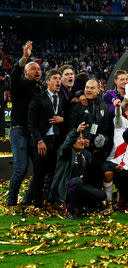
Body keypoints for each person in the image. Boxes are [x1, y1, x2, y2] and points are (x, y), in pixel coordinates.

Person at [8, 41, 43, 206]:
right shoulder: (19, 85)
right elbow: (14, 74)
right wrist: (24, 57)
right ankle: (12, 202)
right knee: (21, 169)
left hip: (33, 133)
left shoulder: (40, 90)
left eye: (39, 69)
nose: (37, 71)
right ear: (26, 72)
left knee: (39, 169)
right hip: (19, 131)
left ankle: (27, 199)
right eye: (33, 68)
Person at [49, 122, 106, 219]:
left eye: (82, 138)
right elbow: (66, 146)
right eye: (78, 139)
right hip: (65, 188)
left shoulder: (86, 154)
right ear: (71, 140)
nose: (82, 141)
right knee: (76, 181)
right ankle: (70, 210)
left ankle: (85, 206)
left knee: (101, 194)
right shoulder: (65, 153)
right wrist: (76, 132)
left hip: (81, 186)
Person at [27, 69, 67, 206]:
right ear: (47, 81)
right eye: (55, 78)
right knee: (39, 173)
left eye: (59, 78)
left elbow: (67, 120)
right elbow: (31, 124)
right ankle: (37, 203)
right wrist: (39, 140)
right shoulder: (38, 98)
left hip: (57, 142)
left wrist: (63, 119)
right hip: (42, 142)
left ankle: (50, 200)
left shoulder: (61, 99)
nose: (58, 81)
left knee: (53, 173)